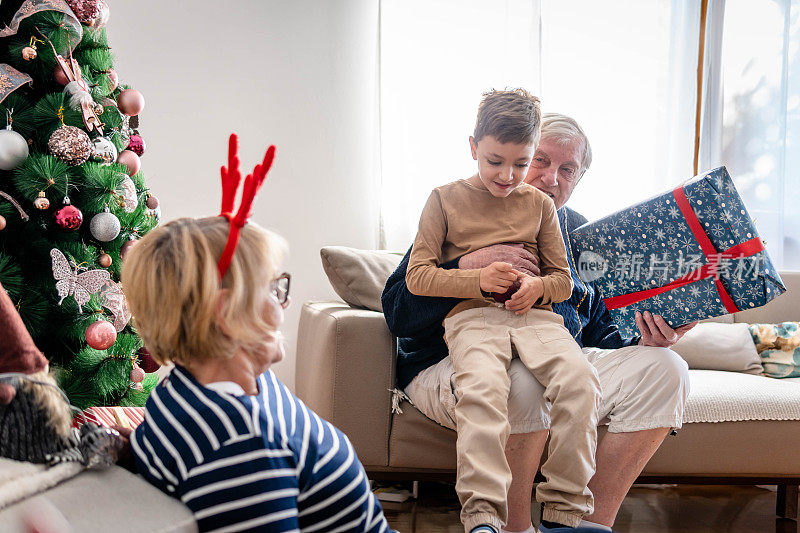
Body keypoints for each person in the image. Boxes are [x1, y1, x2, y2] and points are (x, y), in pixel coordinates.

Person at [383, 113, 695, 533]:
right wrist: (465, 268)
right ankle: (513, 528)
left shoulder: (581, 235)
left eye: (567, 169)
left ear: (579, 178)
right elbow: (398, 311)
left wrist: (649, 336)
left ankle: (582, 524)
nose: (550, 178)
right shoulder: (460, 209)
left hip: (552, 355)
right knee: (523, 378)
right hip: (456, 363)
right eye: (541, 161)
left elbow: (601, 334)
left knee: (665, 369)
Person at [122, 136, 394, 533]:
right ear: (227, 314)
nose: (282, 300)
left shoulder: (197, 388)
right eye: (271, 287)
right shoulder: (239, 446)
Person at [404, 89, 602, 533]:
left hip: (537, 319)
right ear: (473, 147)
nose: (508, 175)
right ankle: (484, 517)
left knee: (581, 383)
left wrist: (537, 287)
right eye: (495, 161)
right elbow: (417, 277)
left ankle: (564, 514)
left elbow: (564, 280)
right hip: (471, 322)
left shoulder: (540, 206)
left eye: (519, 162)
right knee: (484, 395)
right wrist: (473, 277)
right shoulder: (442, 199)